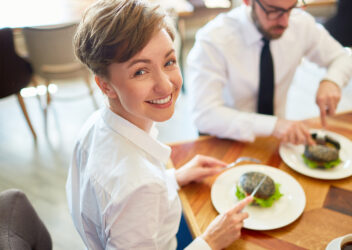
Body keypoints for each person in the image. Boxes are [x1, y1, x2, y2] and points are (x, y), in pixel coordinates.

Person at [65, 0, 253, 249]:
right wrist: (210, 242)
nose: (165, 86)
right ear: (105, 85)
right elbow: (132, 189)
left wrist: (172, 178)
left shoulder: (96, 123)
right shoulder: (139, 185)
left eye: (169, 62)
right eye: (140, 72)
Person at [186, 0, 352, 144]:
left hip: (276, 139)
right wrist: (273, 125)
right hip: (224, 140)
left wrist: (332, 81)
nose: (285, 22)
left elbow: (342, 57)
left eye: (291, 8)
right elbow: (204, 114)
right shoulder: (213, 39)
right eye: (274, 11)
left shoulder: (300, 23)